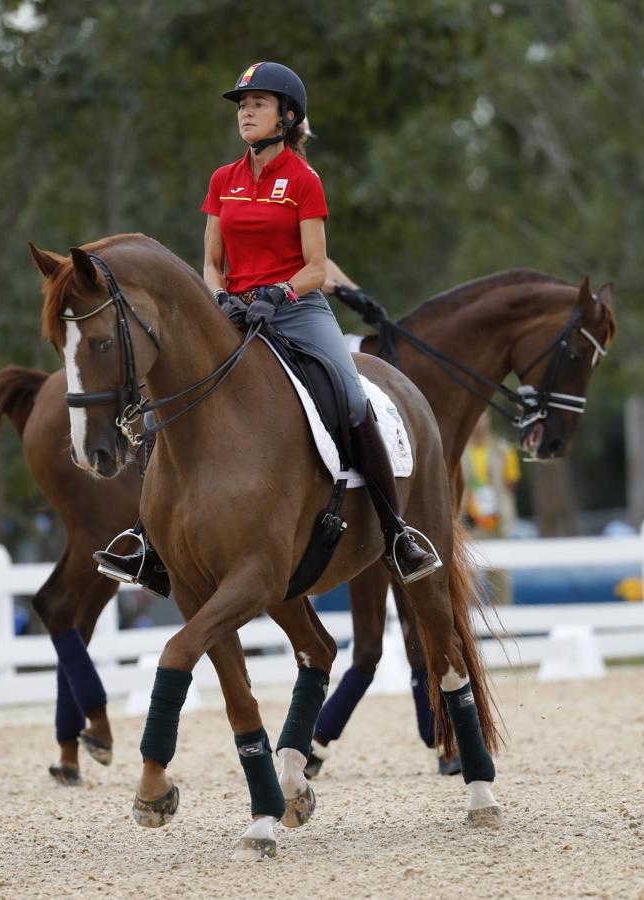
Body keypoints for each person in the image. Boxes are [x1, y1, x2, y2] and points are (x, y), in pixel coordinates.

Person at [95, 61, 438, 590]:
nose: (246, 112)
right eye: (242, 105)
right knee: (175, 396)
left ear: (287, 116)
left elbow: (316, 268)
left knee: (351, 397)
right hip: (233, 312)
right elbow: (211, 262)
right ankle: (149, 541)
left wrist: (278, 293)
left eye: (258, 103)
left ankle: (396, 533)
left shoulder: (304, 180)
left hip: (298, 309)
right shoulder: (223, 180)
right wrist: (219, 299)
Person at [461, 409, 520, 603]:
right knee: (466, 583)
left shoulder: (503, 450)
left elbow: (511, 484)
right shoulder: (459, 450)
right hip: (469, 525)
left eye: (484, 416)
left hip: (497, 526)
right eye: (477, 415)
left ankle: (505, 621)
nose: (480, 421)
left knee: (501, 581)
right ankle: (467, 623)